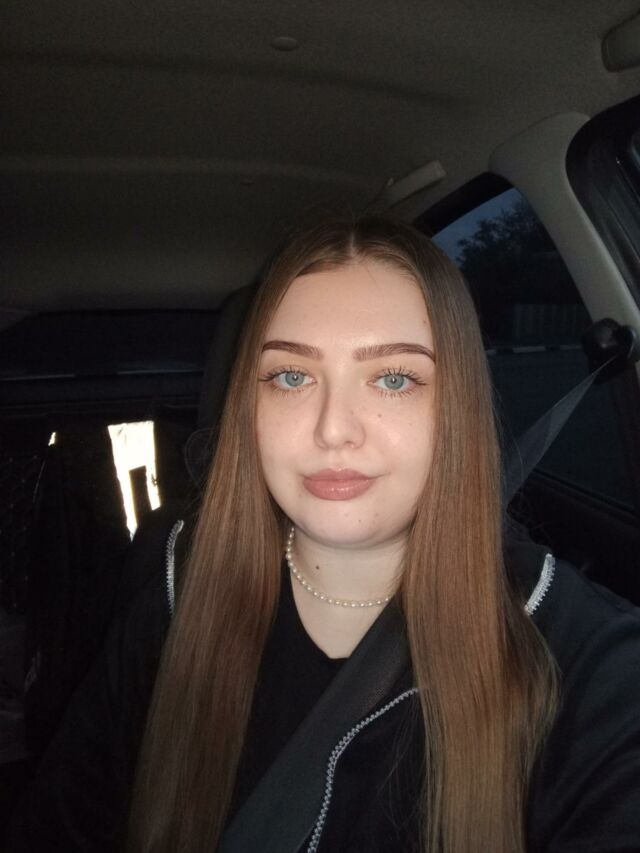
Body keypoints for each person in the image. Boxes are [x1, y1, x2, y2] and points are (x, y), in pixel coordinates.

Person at [8, 217, 640, 853]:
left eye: (394, 378)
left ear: (457, 407)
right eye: (291, 376)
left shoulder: (591, 665)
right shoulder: (174, 587)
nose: (333, 429)